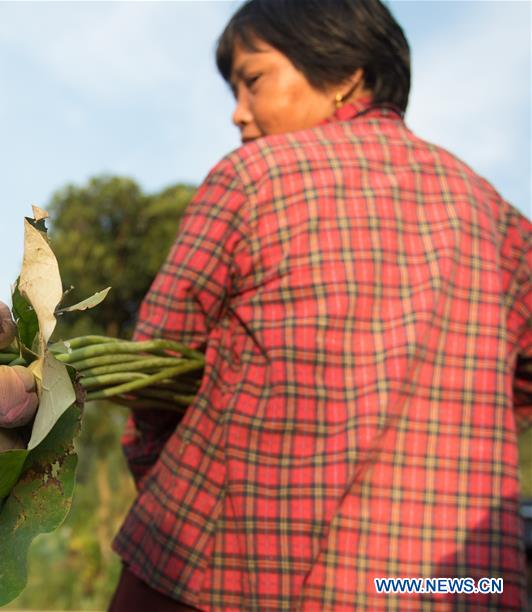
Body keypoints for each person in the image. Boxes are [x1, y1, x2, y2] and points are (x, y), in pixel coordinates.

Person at [109, 0, 531, 609]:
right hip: (444, 582)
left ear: (343, 74)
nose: (238, 113)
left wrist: (165, 481)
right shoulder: (497, 218)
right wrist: (468, 416)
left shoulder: (253, 177)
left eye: (252, 81)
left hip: (229, 568)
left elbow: (152, 368)